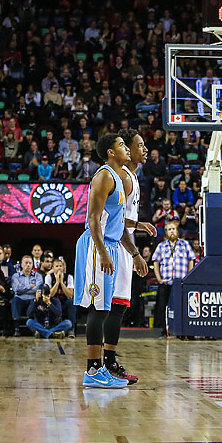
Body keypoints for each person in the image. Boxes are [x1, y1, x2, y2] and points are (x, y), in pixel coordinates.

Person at [74, 134, 146, 389]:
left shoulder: (118, 178)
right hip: (98, 245)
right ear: (110, 152)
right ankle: (93, 371)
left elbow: (117, 224)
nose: (127, 148)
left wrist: (133, 251)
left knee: (105, 306)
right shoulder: (104, 175)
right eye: (122, 145)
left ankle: (100, 369)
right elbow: (93, 219)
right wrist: (103, 252)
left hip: (111, 245)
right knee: (99, 308)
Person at [104, 129, 157, 384]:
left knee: (118, 307)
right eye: (140, 145)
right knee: (115, 307)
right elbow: (111, 220)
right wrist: (135, 253)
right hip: (116, 246)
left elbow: (122, 218)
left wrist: (138, 224)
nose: (144, 149)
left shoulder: (133, 177)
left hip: (122, 242)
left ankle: (107, 363)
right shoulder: (124, 177)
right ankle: (107, 364)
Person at [152, 221, 195, 338]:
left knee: (181, 307)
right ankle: (163, 331)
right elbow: (156, 262)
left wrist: (188, 277)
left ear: (177, 231)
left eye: (173, 229)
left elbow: (191, 259)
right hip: (165, 282)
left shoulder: (185, 244)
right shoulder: (161, 246)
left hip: (180, 283)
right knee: (162, 307)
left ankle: (182, 332)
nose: (172, 231)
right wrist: (159, 278)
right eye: (169, 229)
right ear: (166, 232)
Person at [10, 255, 43, 334]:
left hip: (32, 299)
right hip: (20, 299)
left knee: (37, 300)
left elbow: (37, 289)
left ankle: (34, 327)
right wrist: (30, 287)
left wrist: (23, 288)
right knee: (15, 300)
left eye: (30, 263)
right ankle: (16, 329)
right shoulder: (16, 276)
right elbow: (16, 289)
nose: (28, 265)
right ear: (21, 264)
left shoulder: (38, 276)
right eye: (26, 263)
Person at [46, 258, 76, 336]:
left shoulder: (69, 277)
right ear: (53, 268)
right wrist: (57, 282)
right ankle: (52, 328)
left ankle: (71, 330)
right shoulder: (48, 277)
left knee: (71, 302)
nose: (59, 268)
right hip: (53, 303)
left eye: (60, 266)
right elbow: (50, 295)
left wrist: (62, 283)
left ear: (63, 267)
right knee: (52, 300)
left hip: (64, 302)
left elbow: (70, 295)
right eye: (57, 266)